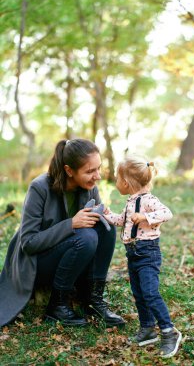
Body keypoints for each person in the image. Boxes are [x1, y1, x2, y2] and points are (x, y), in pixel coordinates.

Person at [0, 139, 125, 328]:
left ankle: (93, 299)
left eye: (98, 168)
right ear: (69, 171)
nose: (97, 176)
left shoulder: (90, 188)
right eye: (90, 171)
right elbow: (29, 242)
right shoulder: (39, 187)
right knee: (86, 236)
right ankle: (58, 305)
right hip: (36, 262)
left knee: (105, 228)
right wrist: (71, 224)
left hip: (70, 255)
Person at [103, 156, 182, 358]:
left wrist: (146, 217)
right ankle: (147, 328)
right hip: (133, 254)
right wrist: (107, 215)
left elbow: (167, 213)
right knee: (138, 293)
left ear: (126, 182)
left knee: (150, 293)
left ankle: (168, 331)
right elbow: (123, 221)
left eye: (116, 178)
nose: (115, 181)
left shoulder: (149, 200)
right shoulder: (131, 202)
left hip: (148, 252)